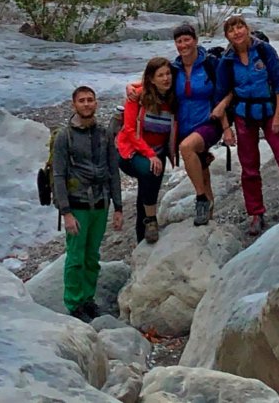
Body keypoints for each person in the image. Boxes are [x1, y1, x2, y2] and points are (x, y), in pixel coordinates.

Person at [216, 14, 279, 235]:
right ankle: (256, 214)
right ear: (227, 36)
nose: (237, 32)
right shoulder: (227, 61)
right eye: (232, 30)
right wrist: (225, 128)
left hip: (269, 112)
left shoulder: (264, 50)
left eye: (240, 27)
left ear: (247, 29)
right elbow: (220, 96)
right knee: (249, 168)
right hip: (244, 115)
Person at [50, 85, 123, 322]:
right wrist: (66, 213)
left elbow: (113, 170)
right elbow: (58, 175)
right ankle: (74, 303)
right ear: (74, 105)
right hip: (78, 204)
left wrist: (119, 207)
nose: (86, 104)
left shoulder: (104, 133)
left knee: (92, 256)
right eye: (81, 100)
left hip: (101, 203)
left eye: (90, 100)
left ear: (96, 103)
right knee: (75, 257)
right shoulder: (65, 136)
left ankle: (88, 299)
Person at [171, 21, 232, 227]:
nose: (183, 45)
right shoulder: (174, 68)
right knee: (202, 168)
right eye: (179, 41)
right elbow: (155, 81)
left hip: (208, 122)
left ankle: (201, 200)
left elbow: (228, 89)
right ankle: (209, 216)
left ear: (195, 41)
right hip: (185, 125)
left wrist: (225, 127)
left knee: (186, 148)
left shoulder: (210, 64)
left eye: (187, 40)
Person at [117, 56, 178, 244]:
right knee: (150, 172)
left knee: (145, 194)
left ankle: (142, 241)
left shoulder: (173, 97)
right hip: (131, 152)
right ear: (151, 79)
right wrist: (150, 155)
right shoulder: (137, 97)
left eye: (168, 74)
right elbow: (129, 130)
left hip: (158, 152)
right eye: (160, 75)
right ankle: (151, 221)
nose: (166, 78)